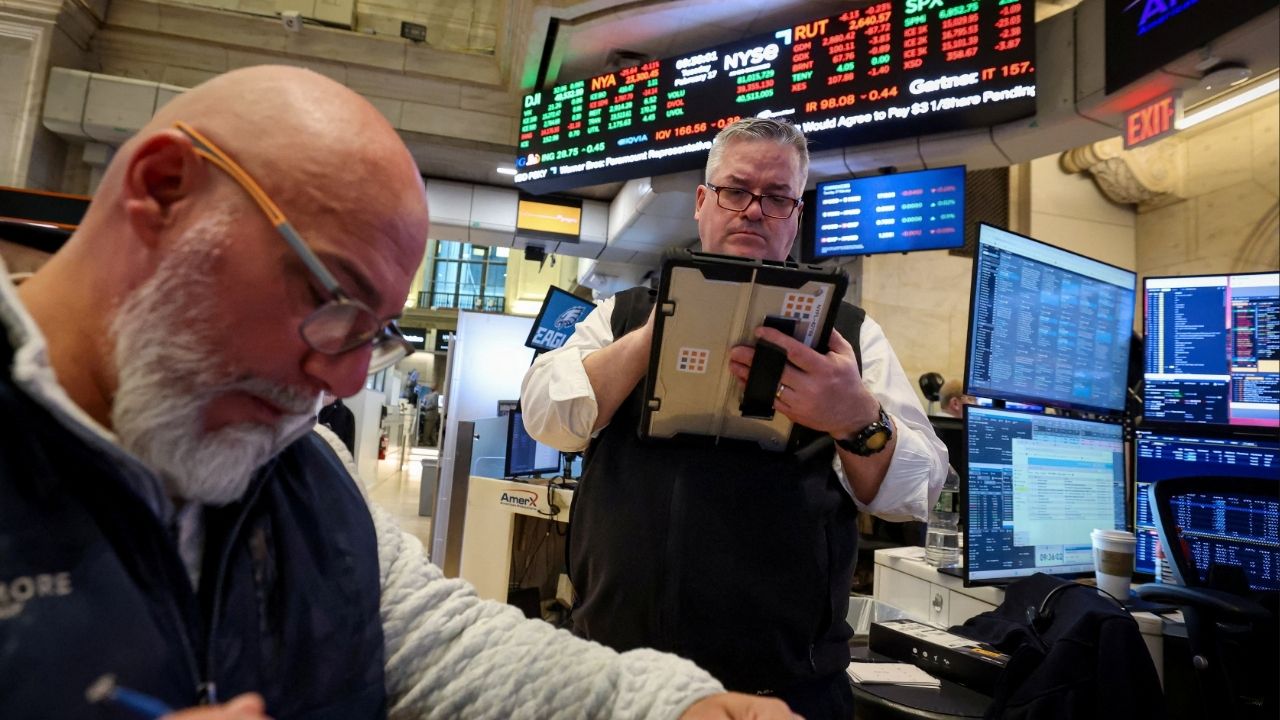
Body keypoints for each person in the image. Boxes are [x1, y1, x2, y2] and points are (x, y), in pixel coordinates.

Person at [0, 66, 797, 720]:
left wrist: (663, 706)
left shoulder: (307, 470)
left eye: (374, 332)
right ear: (164, 189)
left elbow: (427, 636)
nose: (347, 379)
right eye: (330, 298)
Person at [521, 117, 949, 718]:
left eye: (777, 198)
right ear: (702, 202)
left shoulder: (850, 335)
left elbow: (918, 490)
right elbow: (546, 417)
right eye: (735, 190)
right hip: (617, 678)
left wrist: (854, 416)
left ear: (797, 216)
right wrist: (659, 331)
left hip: (784, 692)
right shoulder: (619, 317)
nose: (753, 209)